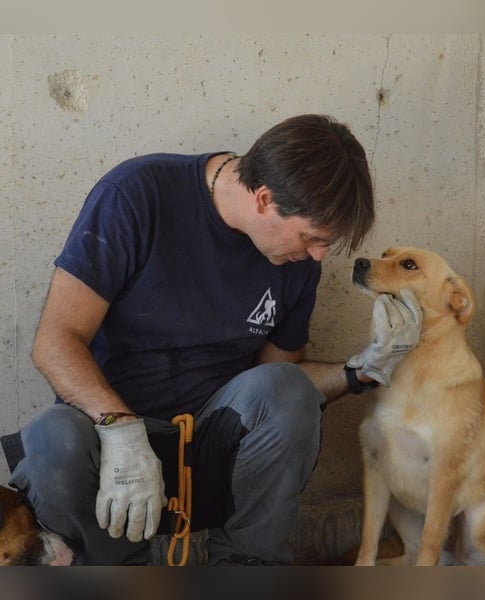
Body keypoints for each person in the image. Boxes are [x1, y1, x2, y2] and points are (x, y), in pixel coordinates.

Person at [1, 114, 422, 566]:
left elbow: (280, 383)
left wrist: (363, 369)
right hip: (111, 458)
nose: (318, 255)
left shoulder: (297, 264)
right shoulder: (137, 196)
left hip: (213, 453)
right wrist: (121, 430)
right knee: (51, 438)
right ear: (264, 198)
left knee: (287, 388)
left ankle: (244, 570)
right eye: (313, 237)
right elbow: (54, 342)